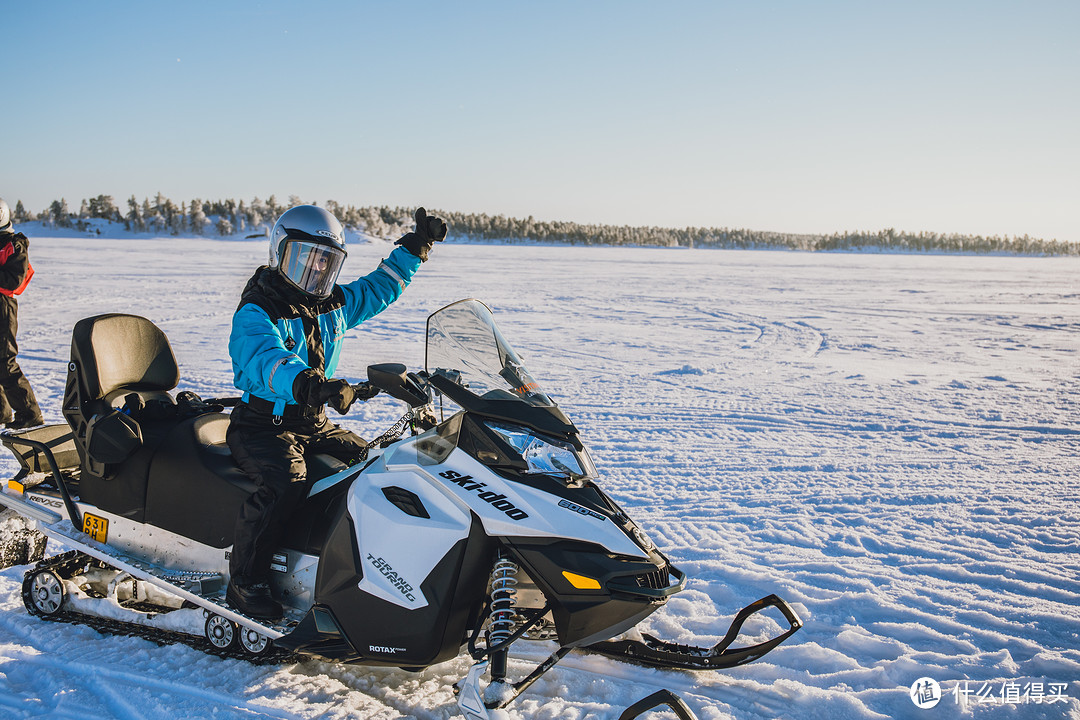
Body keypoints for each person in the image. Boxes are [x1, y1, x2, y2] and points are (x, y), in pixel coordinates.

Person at [225, 204, 446, 618]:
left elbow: (380, 287)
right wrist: (309, 383)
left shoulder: (333, 304)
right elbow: (265, 358)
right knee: (286, 484)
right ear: (280, 254)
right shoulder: (258, 310)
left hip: (313, 422)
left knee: (372, 465)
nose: (315, 270)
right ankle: (245, 580)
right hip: (263, 426)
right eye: (305, 258)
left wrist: (416, 247)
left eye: (325, 262)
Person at [0, 198, 43, 430]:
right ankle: (2, 412)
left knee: (5, 362)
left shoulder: (14, 245)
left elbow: (14, 280)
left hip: (3, 307)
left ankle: (30, 414)